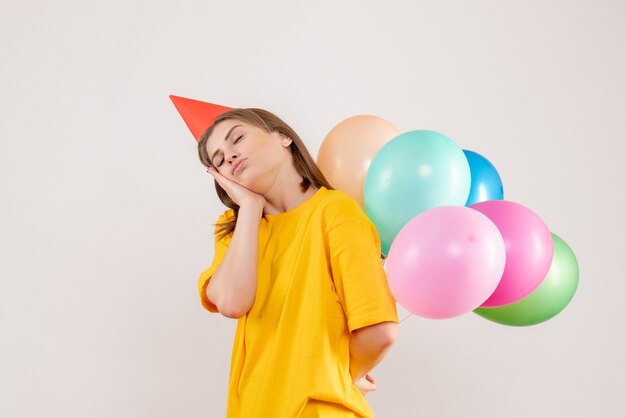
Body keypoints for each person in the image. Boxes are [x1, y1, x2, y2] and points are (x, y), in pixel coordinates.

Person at [196, 107, 399, 417]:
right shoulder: (234, 229)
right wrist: (250, 207)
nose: (230, 157)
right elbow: (232, 302)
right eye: (219, 161)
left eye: (237, 139)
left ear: (283, 137)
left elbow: (379, 330)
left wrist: (346, 375)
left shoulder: (335, 212)